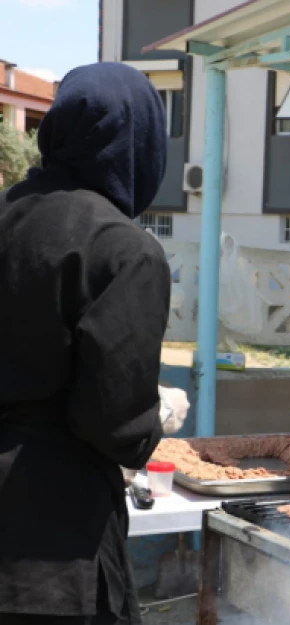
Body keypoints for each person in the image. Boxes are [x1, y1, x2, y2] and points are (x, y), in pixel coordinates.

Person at [0, 63, 173, 624]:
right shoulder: (124, 250)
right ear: (138, 144)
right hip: (53, 556)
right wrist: (157, 413)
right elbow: (115, 423)